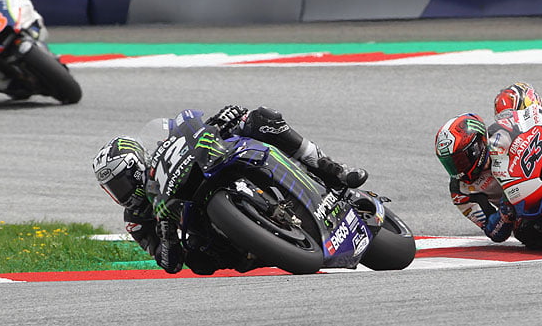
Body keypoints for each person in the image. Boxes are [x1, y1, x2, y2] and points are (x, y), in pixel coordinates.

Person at [93, 104, 368, 274]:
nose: (121, 194)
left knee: (260, 118)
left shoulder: (162, 156)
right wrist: (166, 232)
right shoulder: (137, 219)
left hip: (214, 162)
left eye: (121, 183)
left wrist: (222, 120)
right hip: (215, 233)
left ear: (137, 166)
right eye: (112, 189)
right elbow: (170, 264)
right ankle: (259, 247)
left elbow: (189, 131)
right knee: (198, 261)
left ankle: (331, 169)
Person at [435, 108, 542, 249]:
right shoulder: (460, 192)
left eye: (460, 160)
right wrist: (504, 214)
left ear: (478, 145)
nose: (457, 168)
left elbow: (535, 118)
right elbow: (493, 232)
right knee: (525, 232)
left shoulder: (501, 132)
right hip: (526, 205)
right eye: (450, 164)